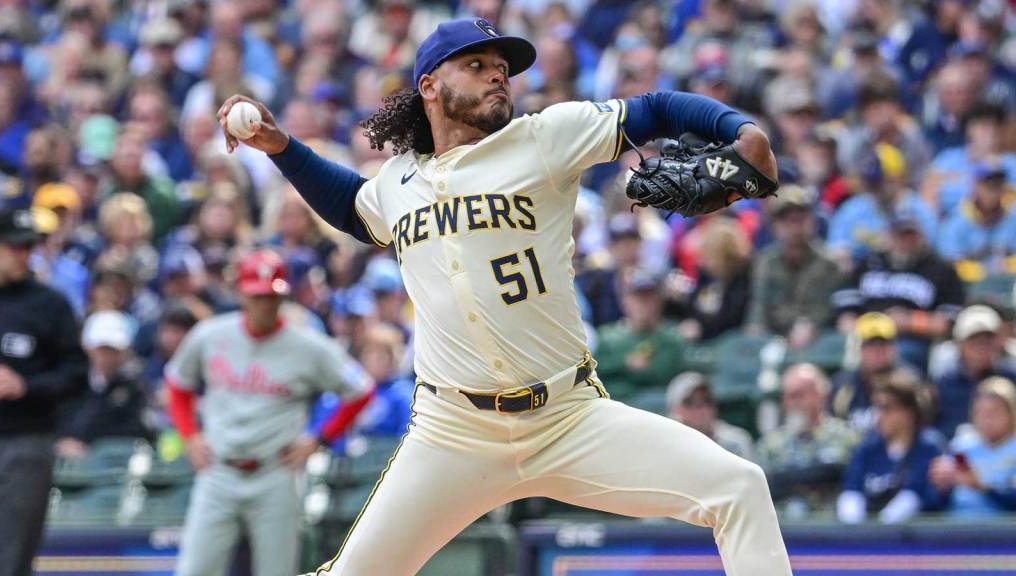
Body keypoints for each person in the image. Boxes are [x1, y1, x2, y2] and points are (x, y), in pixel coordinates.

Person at [219, 17, 791, 575]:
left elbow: (658, 108)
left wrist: (741, 130)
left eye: (502, 68)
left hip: (568, 419)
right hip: (452, 433)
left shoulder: (543, 138)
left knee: (739, 487)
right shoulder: (397, 182)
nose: (498, 76)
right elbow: (351, 205)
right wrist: (280, 146)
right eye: (477, 65)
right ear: (430, 87)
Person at [165, 250, 373, 576]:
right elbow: (177, 385)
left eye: (271, 296)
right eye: (257, 295)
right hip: (218, 471)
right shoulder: (210, 335)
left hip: (275, 474)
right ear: (242, 294)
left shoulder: (308, 346)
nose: (265, 303)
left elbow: (360, 389)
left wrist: (318, 438)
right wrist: (190, 437)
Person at [0, 208, 88, 576]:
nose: (23, 254)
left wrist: (26, 386)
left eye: (29, 246)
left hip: (24, 442)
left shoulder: (48, 304)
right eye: (15, 246)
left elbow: (77, 374)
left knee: (10, 559)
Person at [833, 211, 964, 371]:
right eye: (900, 236)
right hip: (865, 336)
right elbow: (845, 312)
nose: (905, 242)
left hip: (910, 339)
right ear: (888, 237)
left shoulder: (939, 268)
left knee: (902, 355)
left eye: (910, 235)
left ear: (920, 237)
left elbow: (948, 324)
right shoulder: (868, 263)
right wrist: (859, 327)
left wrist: (910, 321)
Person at [837, 370, 945, 525]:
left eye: (887, 408)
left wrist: (880, 532)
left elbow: (917, 497)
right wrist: (855, 531)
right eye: (877, 407)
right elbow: (851, 491)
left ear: (909, 412)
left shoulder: (929, 446)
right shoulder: (867, 448)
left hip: (913, 541)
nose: (879, 416)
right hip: (864, 538)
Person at [746, 186, 841, 347]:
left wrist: (809, 326)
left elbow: (827, 309)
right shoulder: (766, 262)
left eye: (801, 218)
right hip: (772, 339)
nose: (795, 226)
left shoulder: (829, 262)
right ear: (774, 226)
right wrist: (755, 332)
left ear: (812, 221)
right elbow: (758, 309)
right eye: (787, 220)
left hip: (817, 339)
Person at [756, 363, 858, 513]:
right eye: (786, 396)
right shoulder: (770, 444)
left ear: (822, 395)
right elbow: (761, 488)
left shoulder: (847, 436)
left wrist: (784, 480)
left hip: (831, 528)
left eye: (798, 395)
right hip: (782, 528)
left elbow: (845, 477)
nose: (791, 403)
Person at [56, 310, 152, 459]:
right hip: (67, 464)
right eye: (102, 349)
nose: (107, 357)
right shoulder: (71, 382)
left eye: (113, 350)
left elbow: (137, 429)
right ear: (88, 348)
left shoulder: (134, 387)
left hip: (114, 465)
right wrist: (62, 441)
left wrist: (90, 444)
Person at [594, 269, 687, 401]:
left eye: (649, 298)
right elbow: (594, 373)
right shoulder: (607, 337)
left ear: (659, 301)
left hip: (660, 409)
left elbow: (673, 375)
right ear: (624, 302)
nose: (643, 304)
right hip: (617, 407)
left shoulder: (672, 339)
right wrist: (624, 363)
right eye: (637, 298)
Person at [928, 377, 1016, 517]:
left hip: (1003, 532)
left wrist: (980, 486)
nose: (987, 420)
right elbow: (933, 503)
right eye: (980, 413)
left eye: (994, 413)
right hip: (956, 527)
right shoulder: (961, 446)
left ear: (1012, 414)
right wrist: (942, 486)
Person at [933, 305, 1016, 440]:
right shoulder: (944, 383)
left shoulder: (1012, 378)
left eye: (988, 340)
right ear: (960, 344)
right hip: (957, 454)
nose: (981, 348)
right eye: (974, 341)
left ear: (998, 344)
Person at [830, 312, 917, 435]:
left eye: (883, 344)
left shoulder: (910, 384)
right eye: (870, 344)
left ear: (893, 347)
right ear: (858, 348)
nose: (877, 351)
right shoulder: (843, 386)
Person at [666, 371, 753, 459]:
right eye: (690, 402)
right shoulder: (665, 443)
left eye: (707, 400)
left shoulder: (735, 441)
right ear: (674, 409)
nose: (701, 408)